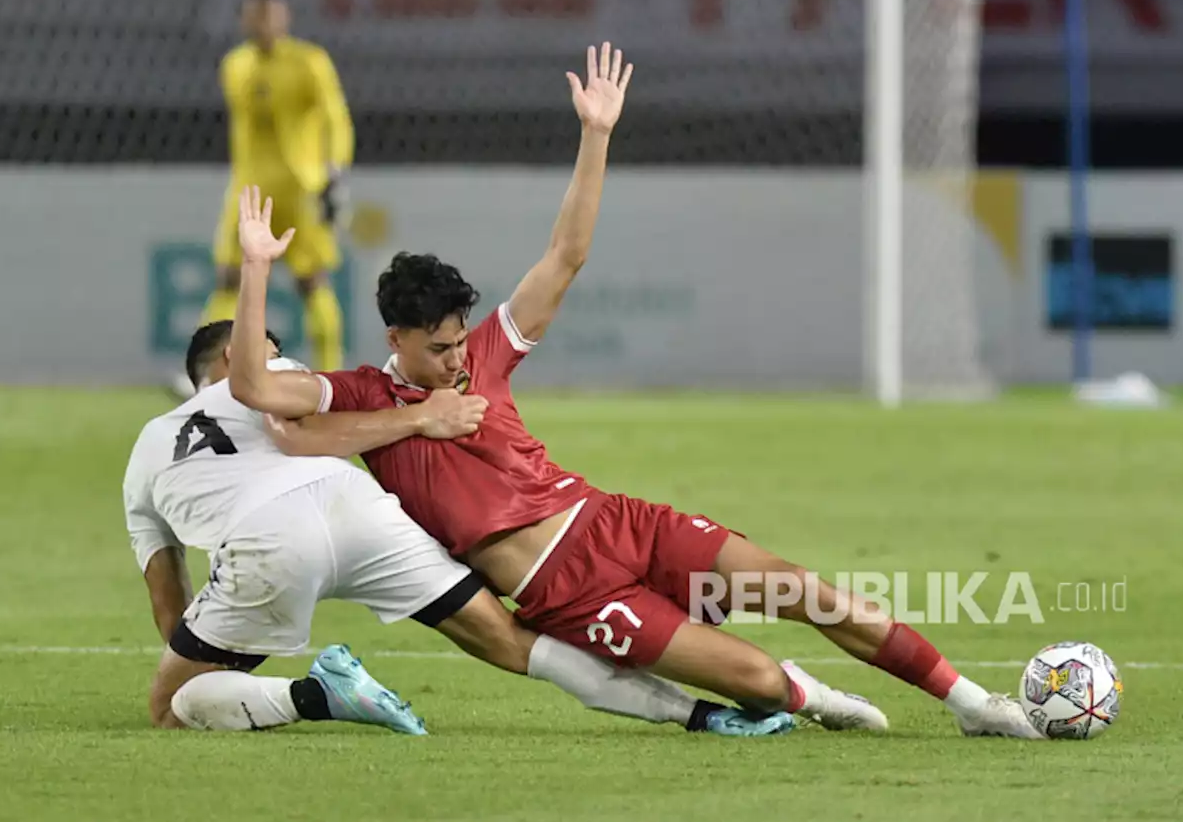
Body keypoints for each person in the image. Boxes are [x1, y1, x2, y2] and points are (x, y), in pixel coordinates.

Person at [224, 43, 894, 733]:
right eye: (438, 346)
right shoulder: (360, 394)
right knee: (703, 671)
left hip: (599, 526)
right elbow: (251, 385)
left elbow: (565, 255)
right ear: (396, 339)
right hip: (538, 584)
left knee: (783, 591)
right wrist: (255, 268)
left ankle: (831, 692)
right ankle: (763, 702)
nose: (457, 357)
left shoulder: (483, 353)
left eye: (460, 340)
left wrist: (596, 134)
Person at [126, 320, 795, 736]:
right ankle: (700, 714)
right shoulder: (285, 374)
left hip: (266, 540)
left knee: (172, 700)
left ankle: (316, 694)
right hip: (361, 510)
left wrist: (206, 650)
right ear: (237, 366)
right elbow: (319, 428)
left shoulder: (150, 447)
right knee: (511, 641)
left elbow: (166, 606)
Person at [200, 0, 351, 373]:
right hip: (248, 190)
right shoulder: (235, 66)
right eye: (255, 14)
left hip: (299, 189)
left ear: (285, 17)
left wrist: (334, 171)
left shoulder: (309, 63)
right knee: (228, 279)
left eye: (270, 13)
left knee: (311, 281)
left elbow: (335, 119)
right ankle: (207, 377)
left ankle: (330, 376)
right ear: (244, 18)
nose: (262, 23)